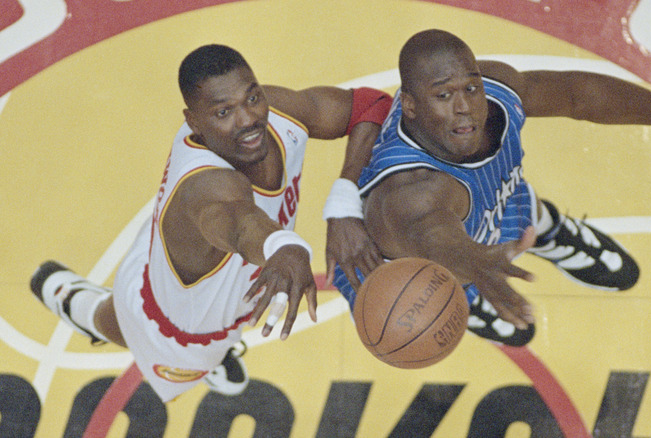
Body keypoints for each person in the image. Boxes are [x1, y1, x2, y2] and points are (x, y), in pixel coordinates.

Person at [329, 29, 651, 346]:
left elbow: (577, 95)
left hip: (491, 213)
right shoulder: (409, 192)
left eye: (470, 88)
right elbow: (432, 234)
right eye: (444, 96)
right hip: (418, 268)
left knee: (512, 202)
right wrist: (473, 266)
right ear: (411, 105)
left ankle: (543, 228)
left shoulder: (497, 93)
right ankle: (469, 291)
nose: (465, 107)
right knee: (451, 290)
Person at [29, 44, 391, 402]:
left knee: (222, 284)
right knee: (121, 321)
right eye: (223, 112)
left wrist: (345, 199)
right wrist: (283, 245)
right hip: (181, 328)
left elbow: (372, 106)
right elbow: (238, 222)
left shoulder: (279, 114)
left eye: (252, 98)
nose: (248, 119)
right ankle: (76, 305)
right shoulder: (206, 187)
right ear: (193, 122)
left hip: (185, 256)